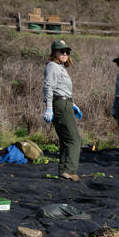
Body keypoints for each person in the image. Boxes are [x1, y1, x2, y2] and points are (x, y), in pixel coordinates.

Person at [42, 40, 82, 181]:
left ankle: (64, 171)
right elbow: (48, 88)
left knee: (66, 140)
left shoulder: (60, 67)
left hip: (65, 103)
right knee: (74, 140)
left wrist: (73, 104)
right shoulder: (52, 66)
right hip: (60, 104)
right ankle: (70, 171)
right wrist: (48, 108)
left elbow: (62, 89)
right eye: (61, 51)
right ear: (54, 52)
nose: (65, 54)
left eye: (67, 52)